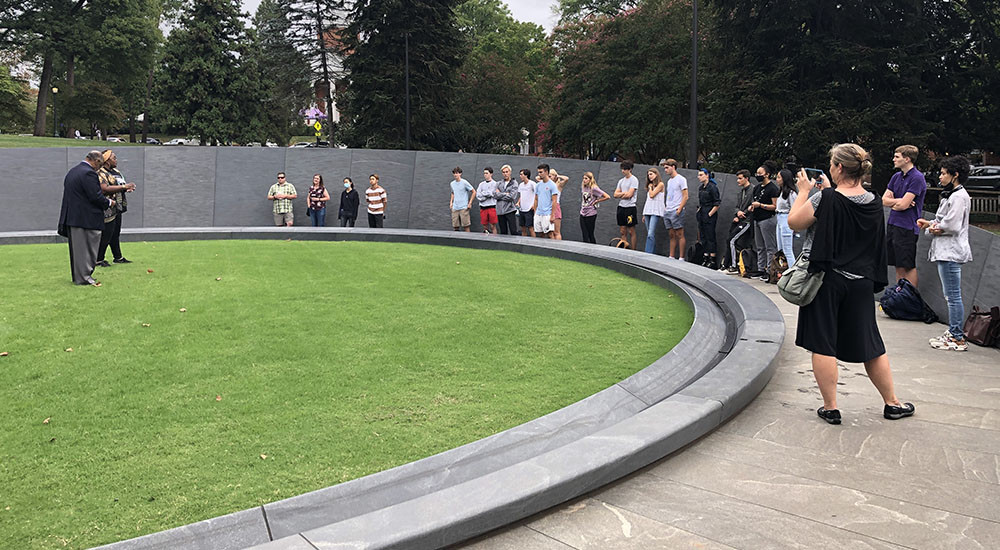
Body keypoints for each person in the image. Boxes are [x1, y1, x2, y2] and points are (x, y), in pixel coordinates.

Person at [788, 143, 913, 425]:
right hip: (861, 281)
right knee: (871, 343)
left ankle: (831, 406)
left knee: (822, 343)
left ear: (839, 168)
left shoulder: (827, 198)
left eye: (832, 163)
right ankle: (892, 402)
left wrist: (805, 192)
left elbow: (795, 221)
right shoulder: (873, 200)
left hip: (827, 279)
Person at [918, 156, 973, 352]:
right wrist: (931, 225)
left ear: (955, 175)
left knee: (952, 295)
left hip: (951, 252)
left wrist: (934, 227)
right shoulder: (951, 195)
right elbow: (944, 222)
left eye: (943, 173)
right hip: (944, 251)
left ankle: (957, 336)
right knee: (950, 294)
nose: (940, 177)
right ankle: (953, 332)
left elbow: (951, 225)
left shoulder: (959, 197)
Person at [57, 151, 115, 286]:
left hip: (74, 217)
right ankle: (84, 277)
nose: (98, 168)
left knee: (78, 251)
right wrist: (108, 203)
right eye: (99, 165)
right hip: (85, 219)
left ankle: (79, 276)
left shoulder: (73, 171)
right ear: (96, 161)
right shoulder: (89, 173)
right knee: (87, 250)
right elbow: (95, 196)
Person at [882, 145, 927, 287]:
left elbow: (903, 206)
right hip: (893, 224)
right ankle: (899, 296)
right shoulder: (896, 177)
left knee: (907, 265)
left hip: (907, 227)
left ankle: (910, 298)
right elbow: (884, 200)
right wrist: (898, 201)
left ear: (907, 159)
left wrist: (898, 203)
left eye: (897, 157)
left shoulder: (917, 178)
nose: (893, 159)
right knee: (898, 264)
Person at [96, 149, 135, 266]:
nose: (116, 160)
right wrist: (123, 187)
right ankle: (98, 259)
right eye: (114, 158)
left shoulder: (116, 171)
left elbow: (119, 185)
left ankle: (118, 257)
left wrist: (126, 188)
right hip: (107, 207)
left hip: (117, 206)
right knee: (107, 233)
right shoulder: (101, 173)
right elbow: (104, 189)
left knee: (115, 232)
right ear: (107, 161)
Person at [721, 169, 755, 272]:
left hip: (747, 221)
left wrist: (742, 212)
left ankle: (734, 266)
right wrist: (737, 213)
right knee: (729, 240)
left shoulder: (752, 190)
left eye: (740, 178)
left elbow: (752, 206)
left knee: (732, 240)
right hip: (740, 220)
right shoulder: (741, 192)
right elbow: (736, 206)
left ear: (746, 178)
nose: (738, 181)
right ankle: (726, 264)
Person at [749, 162, 779, 280]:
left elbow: (775, 206)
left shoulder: (772, 188)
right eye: (757, 173)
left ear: (767, 174)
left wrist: (761, 205)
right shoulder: (756, 188)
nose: (758, 175)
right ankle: (760, 269)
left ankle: (770, 270)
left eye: (760, 173)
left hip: (767, 219)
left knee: (769, 247)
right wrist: (752, 207)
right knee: (760, 246)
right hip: (757, 219)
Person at [661, 159, 689, 260]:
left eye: (667, 168)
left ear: (673, 167)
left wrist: (679, 209)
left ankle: (681, 258)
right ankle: (671, 256)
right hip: (668, 210)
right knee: (671, 234)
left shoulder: (681, 179)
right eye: (664, 168)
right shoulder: (669, 181)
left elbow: (685, 196)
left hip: (676, 210)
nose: (665, 170)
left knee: (680, 234)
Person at [696, 168, 721, 268]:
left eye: (701, 175)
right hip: (702, 212)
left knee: (710, 236)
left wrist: (710, 214)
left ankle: (712, 259)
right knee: (703, 236)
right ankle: (705, 257)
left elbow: (717, 203)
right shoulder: (701, 188)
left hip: (709, 212)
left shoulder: (712, 187)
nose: (699, 177)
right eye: (699, 175)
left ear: (707, 175)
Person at [613, 161, 639, 249]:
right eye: (622, 169)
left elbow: (629, 195)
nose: (623, 171)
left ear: (630, 169)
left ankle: (633, 250)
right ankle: (624, 249)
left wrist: (621, 194)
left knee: (631, 231)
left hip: (630, 208)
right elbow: (615, 194)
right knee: (622, 231)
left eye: (625, 169)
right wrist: (624, 193)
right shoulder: (621, 181)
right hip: (621, 207)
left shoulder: (634, 180)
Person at [775, 168, 798, 263]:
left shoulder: (791, 193)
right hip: (779, 218)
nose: (777, 179)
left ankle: (791, 272)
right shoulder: (781, 192)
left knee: (787, 249)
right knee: (780, 249)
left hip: (786, 218)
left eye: (779, 177)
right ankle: (781, 271)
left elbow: (795, 209)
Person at [579, 171, 609, 244]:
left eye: (586, 178)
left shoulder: (594, 188)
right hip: (583, 212)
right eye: (583, 178)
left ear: (590, 179)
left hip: (591, 213)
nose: (584, 180)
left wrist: (597, 201)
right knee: (584, 234)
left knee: (590, 234)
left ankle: (593, 249)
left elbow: (607, 196)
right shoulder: (584, 187)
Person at [641, 167, 666, 253]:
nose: (649, 176)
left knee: (651, 233)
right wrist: (644, 214)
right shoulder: (650, 185)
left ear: (656, 174)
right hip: (648, 210)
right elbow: (648, 200)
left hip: (656, 211)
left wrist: (650, 188)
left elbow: (652, 195)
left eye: (651, 174)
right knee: (649, 234)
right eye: (648, 175)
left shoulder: (661, 184)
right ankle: (653, 252)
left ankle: (648, 253)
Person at [533, 164, 559, 238]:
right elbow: (536, 199)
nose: (539, 174)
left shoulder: (552, 185)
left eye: (541, 172)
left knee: (550, 234)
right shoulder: (538, 185)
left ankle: (552, 249)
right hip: (538, 214)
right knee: (540, 234)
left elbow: (554, 201)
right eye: (538, 172)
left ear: (546, 172)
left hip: (547, 214)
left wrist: (552, 215)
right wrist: (535, 212)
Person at [495, 165, 520, 235]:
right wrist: (505, 194)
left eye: (507, 172)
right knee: (503, 232)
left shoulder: (514, 183)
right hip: (500, 211)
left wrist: (500, 194)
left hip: (510, 210)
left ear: (510, 172)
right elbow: (494, 195)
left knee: (513, 231)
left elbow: (512, 196)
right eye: (503, 172)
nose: (505, 174)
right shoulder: (499, 183)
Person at [450, 167, 476, 231]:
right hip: (455, 207)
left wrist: (470, 203)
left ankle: (468, 240)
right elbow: (453, 193)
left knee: (466, 226)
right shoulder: (452, 183)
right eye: (454, 173)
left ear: (460, 173)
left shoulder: (464, 182)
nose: (455, 175)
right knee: (455, 226)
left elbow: (474, 192)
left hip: (464, 207)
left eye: (457, 173)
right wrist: (451, 202)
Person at [477, 167, 499, 234]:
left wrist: (483, 194)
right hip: (483, 208)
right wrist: (486, 195)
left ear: (491, 174)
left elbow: (491, 193)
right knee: (485, 227)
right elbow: (478, 196)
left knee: (493, 226)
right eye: (484, 173)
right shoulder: (481, 184)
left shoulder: (495, 184)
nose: (485, 175)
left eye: (487, 173)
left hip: (491, 207)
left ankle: (495, 241)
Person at [549, 168, 569, 240]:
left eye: (550, 176)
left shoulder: (558, 185)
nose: (548, 178)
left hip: (556, 207)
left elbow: (566, 179)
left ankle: (558, 247)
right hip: (548, 208)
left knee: (556, 231)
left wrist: (558, 176)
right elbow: (538, 178)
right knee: (550, 232)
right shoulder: (546, 184)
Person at [517, 169, 536, 237]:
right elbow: (521, 196)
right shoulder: (521, 185)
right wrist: (518, 202)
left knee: (530, 228)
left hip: (529, 209)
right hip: (522, 209)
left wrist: (534, 205)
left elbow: (537, 195)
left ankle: (534, 244)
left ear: (526, 175)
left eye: (521, 174)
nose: (520, 176)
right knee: (523, 228)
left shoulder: (532, 184)